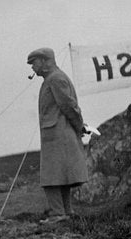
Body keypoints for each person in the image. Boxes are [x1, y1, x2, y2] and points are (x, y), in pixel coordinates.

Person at [27, 47, 89, 223]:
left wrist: (79, 126)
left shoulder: (55, 79)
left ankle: (57, 214)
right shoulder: (54, 78)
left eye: (34, 63)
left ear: (46, 61)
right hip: (57, 133)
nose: (32, 67)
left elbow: (69, 106)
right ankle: (66, 212)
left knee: (52, 176)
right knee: (61, 174)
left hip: (58, 134)